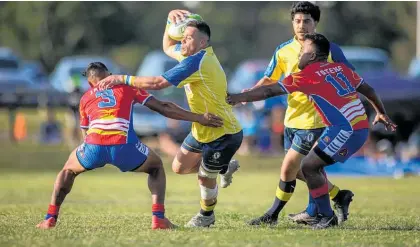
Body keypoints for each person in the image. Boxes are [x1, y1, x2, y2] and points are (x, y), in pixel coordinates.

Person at [227, 33, 397, 229]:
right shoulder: (341, 69)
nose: (299, 54)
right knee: (302, 168)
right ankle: (335, 199)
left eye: (303, 51)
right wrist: (381, 113)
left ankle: (326, 216)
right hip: (351, 127)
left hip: (346, 131)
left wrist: (239, 96)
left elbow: (269, 91)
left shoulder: (307, 75)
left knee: (309, 167)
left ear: (313, 56)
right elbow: (368, 90)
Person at [97, 11, 243, 228]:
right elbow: (167, 45)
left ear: (203, 42)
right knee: (179, 167)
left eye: (189, 38)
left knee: (204, 176)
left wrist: (122, 78)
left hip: (223, 131)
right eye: (183, 37)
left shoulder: (198, 61)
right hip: (202, 127)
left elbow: (158, 83)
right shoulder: (191, 55)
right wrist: (169, 19)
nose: (182, 41)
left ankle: (206, 216)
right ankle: (222, 166)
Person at [36, 62, 223, 230]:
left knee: (67, 170)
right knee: (156, 167)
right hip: (124, 145)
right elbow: (163, 107)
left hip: (93, 146)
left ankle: (50, 219)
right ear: (109, 75)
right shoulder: (127, 87)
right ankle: (158, 219)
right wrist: (198, 118)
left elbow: (85, 133)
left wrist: (91, 154)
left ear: (90, 82)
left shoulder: (85, 97)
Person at [246, 1, 357, 226]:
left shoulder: (328, 49)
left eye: (307, 21)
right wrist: (250, 93)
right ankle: (336, 197)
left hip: (317, 120)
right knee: (300, 170)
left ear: (316, 23)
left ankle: (272, 215)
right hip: (292, 118)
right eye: (297, 21)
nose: (301, 25)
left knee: (289, 167)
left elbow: (349, 74)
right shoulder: (283, 50)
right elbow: (269, 78)